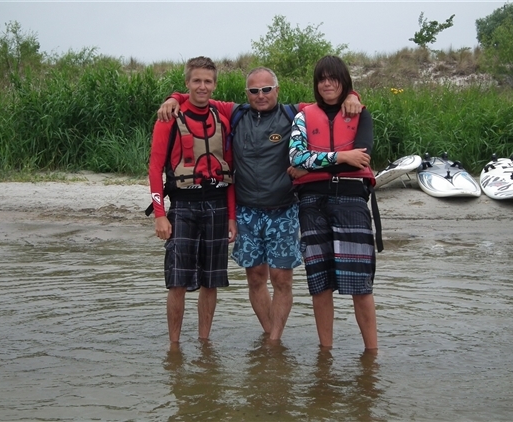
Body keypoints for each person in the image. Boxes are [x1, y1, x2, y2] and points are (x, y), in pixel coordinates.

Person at [158, 67, 362, 341]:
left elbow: (329, 100)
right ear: (247, 93)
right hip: (246, 211)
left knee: (281, 279)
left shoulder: (294, 113)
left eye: (266, 89)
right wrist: (173, 98)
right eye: (254, 91)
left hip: (283, 209)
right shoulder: (235, 113)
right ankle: (271, 339)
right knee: (255, 278)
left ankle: (274, 340)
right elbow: (199, 94)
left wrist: (352, 94)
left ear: (277, 90)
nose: (261, 95)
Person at [288, 55, 379, 350]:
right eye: (322, 79)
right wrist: (341, 157)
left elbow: (361, 158)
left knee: (360, 284)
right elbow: (296, 157)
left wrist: (312, 168)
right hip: (312, 203)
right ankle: (325, 353)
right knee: (320, 283)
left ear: (344, 82)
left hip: (351, 200)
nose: (327, 84)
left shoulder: (361, 114)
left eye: (333, 78)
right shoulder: (302, 117)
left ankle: (372, 354)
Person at [148, 56, 237, 343]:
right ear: (187, 83)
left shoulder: (222, 119)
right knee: (177, 281)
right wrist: (160, 215)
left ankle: (204, 342)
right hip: (183, 207)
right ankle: (174, 346)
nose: (202, 86)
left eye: (208, 81)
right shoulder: (169, 118)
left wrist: (232, 217)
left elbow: (230, 173)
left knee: (211, 281)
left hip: (217, 205)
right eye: (196, 80)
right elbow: (154, 169)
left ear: (214, 85)